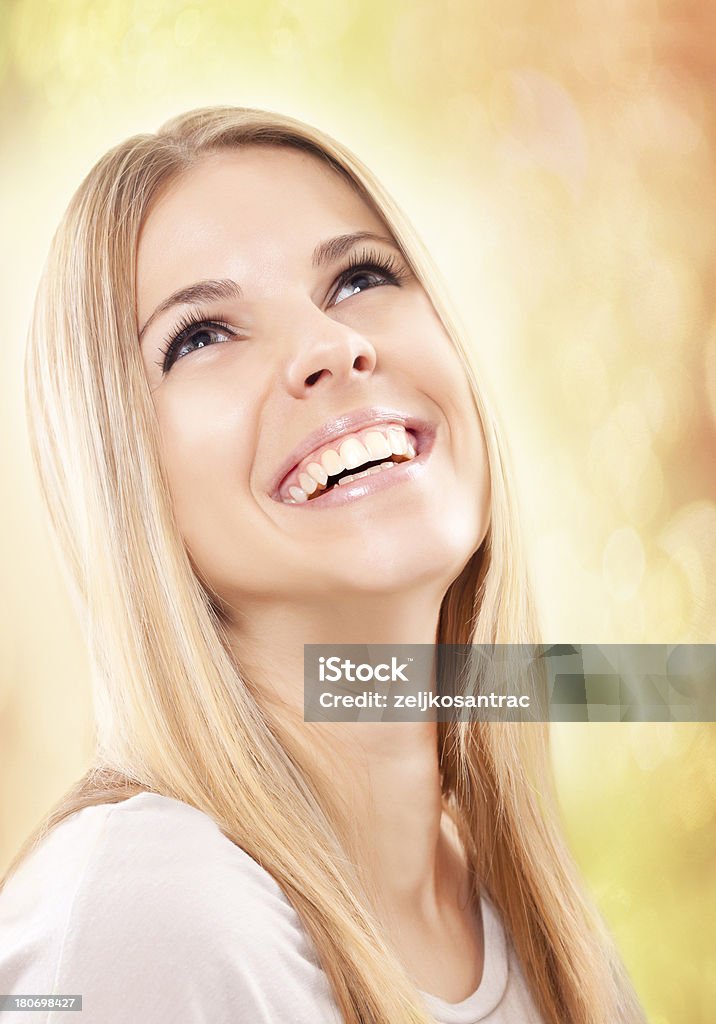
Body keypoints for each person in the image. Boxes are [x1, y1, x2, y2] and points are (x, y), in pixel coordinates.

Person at [0, 106, 646, 1024]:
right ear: (125, 480)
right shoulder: (146, 922)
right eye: (202, 335)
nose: (329, 345)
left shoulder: (539, 929)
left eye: (358, 278)